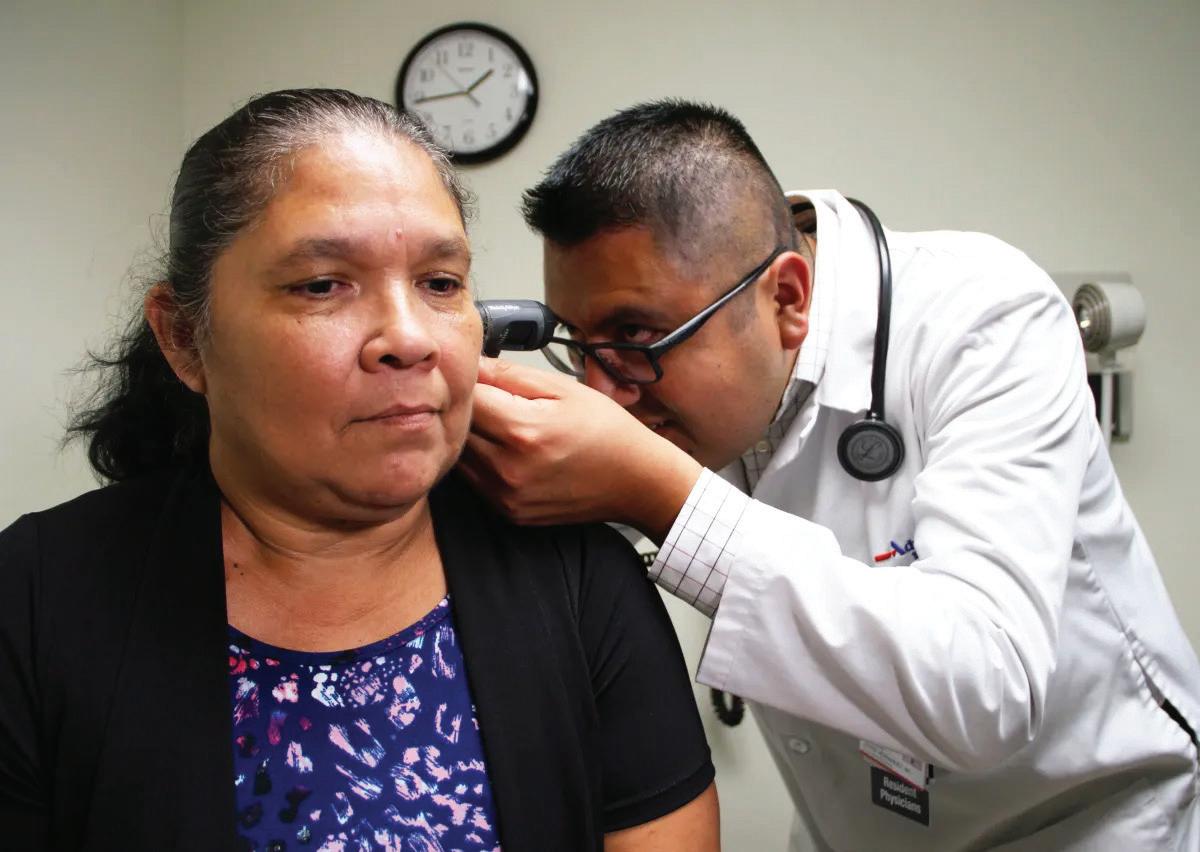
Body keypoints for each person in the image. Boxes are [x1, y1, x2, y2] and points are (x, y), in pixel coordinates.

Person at [459, 99, 1200, 850]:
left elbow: (990, 692)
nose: (603, 392)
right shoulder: (687, 365)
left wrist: (662, 496)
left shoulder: (984, 318)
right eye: (579, 344)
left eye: (635, 336)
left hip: (1091, 824)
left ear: (786, 298)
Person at [0, 89, 720, 851]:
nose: (409, 339)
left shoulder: (580, 579)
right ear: (183, 337)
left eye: (440, 283)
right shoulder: (37, 599)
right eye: (322, 285)